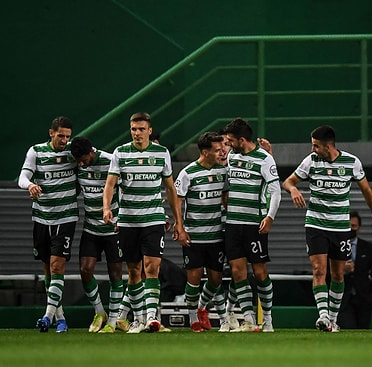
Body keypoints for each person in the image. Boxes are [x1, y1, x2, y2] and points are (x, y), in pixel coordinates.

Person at [282, 125, 372, 332]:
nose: (312, 150)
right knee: (319, 270)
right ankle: (323, 315)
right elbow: (288, 181)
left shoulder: (351, 162)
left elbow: (367, 190)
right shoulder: (310, 162)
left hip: (340, 226)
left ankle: (333, 320)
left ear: (328, 146)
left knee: (338, 274)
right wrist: (293, 190)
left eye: (316, 146)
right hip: (316, 223)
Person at [102, 112, 186, 333]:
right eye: (133, 129)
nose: (137, 133)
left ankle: (151, 318)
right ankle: (138, 319)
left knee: (152, 268)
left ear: (149, 130)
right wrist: (106, 207)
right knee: (133, 271)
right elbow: (110, 184)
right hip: (128, 221)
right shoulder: (120, 153)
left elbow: (170, 188)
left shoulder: (161, 153)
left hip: (153, 220)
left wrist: (178, 221)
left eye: (141, 129)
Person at [18, 116, 78, 333]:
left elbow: (98, 155)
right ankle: (59, 317)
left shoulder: (73, 151)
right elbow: (22, 177)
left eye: (67, 136)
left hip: (66, 217)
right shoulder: (36, 151)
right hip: (42, 218)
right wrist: (31, 185)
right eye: (60, 135)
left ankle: (46, 316)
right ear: (51, 133)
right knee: (47, 268)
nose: (64, 140)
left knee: (56, 266)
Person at [223, 117, 281, 332]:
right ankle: (248, 319)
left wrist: (270, 217)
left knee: (259, 272)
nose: (228, 144)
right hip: (232, 224)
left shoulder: (264, 159)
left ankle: (267, 318)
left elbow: (275, 191)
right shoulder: (231, 156)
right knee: (238, 272)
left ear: (242, 139)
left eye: (230, 140)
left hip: (253, 224)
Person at [174, 131, 230, 332]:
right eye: (217, 150)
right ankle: (194, 320)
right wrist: (179, 227)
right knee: (194, 278)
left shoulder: (223, 172)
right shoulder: (188, 173)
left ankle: (201, 308)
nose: (221, 152)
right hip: (194, 236)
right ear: (205, 152)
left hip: (216, 235)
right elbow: (177, 200)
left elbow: (225, 198)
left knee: (216, 280)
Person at [69, 137, 124, 333]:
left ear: (91, 151)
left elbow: (126, 187)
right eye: (79, 161)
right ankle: (100, 312)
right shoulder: (78, 165)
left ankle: (114, 319)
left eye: (84, 159)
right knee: (85, 270)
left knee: (115, 274)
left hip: (113, 228)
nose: (81, 164)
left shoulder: (111, 161)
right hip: (90, 228)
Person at [337, 210, 372, 329]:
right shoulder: (335, 247)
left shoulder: (368, 248)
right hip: (343, 299)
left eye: (353, 226)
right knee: (348, 327)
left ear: (359, 228)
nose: (350, 229)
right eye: (348, 226)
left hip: (363, 300)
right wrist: (342, 269)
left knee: (363, 330)